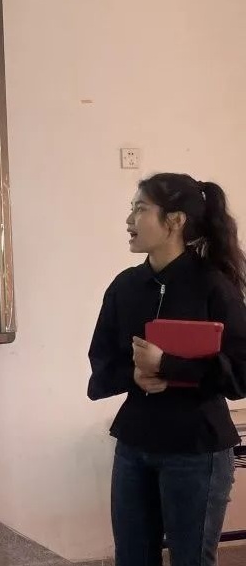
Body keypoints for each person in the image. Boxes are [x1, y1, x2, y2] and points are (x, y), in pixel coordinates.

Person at [88, 173, 246, 566]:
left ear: (175, 221)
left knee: (191, 559)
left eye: (140, 209)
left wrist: (167, 365)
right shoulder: (124, 287)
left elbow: (241, 374)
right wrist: (134, 375)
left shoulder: (214, 286)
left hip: (197, 449)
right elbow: (101, 364)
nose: (129, 220)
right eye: (132, 209)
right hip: (134, 445)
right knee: (132, 558)